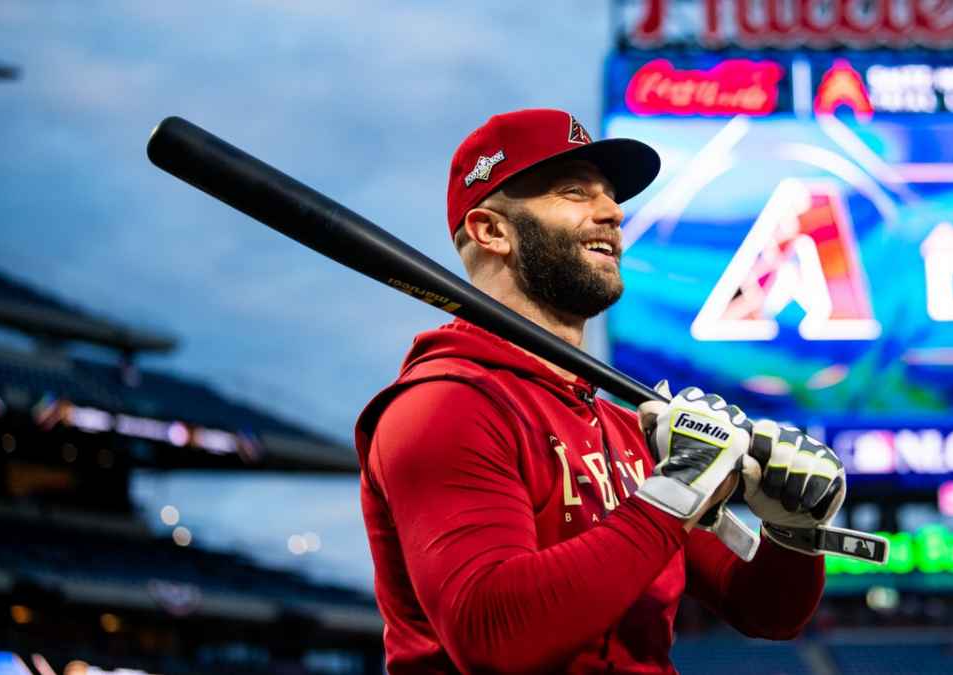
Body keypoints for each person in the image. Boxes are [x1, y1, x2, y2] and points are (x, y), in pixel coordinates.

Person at [354, 109, 847, 674]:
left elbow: (765, 611)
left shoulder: (620, 428)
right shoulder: (445, 404)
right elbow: (493, 636)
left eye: (610, 197)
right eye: (574, 192)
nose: (613, 213)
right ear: (492, 230)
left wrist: (792, 528)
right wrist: (678, 490)